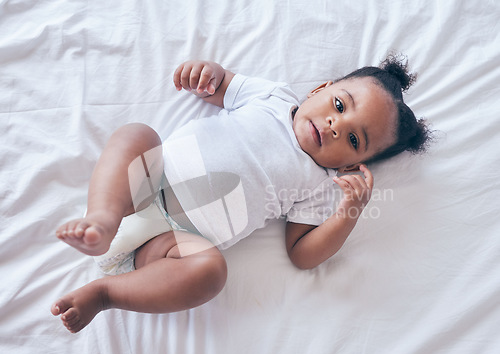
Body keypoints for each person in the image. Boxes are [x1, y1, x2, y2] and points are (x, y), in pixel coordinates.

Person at [51, 55, 431, 333]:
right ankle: (102, 218)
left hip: (172, 246)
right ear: (321, 89)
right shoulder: (274, 98)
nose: (335, 125)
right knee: (139, 136)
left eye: (353, 138)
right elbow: (219, 87)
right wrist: (206, 73)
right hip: (143, 189)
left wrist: (350, 210)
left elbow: (303, 254)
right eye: (339, 105)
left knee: (211, 272)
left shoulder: (319, 185)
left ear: (353, 165)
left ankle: (104, 294)